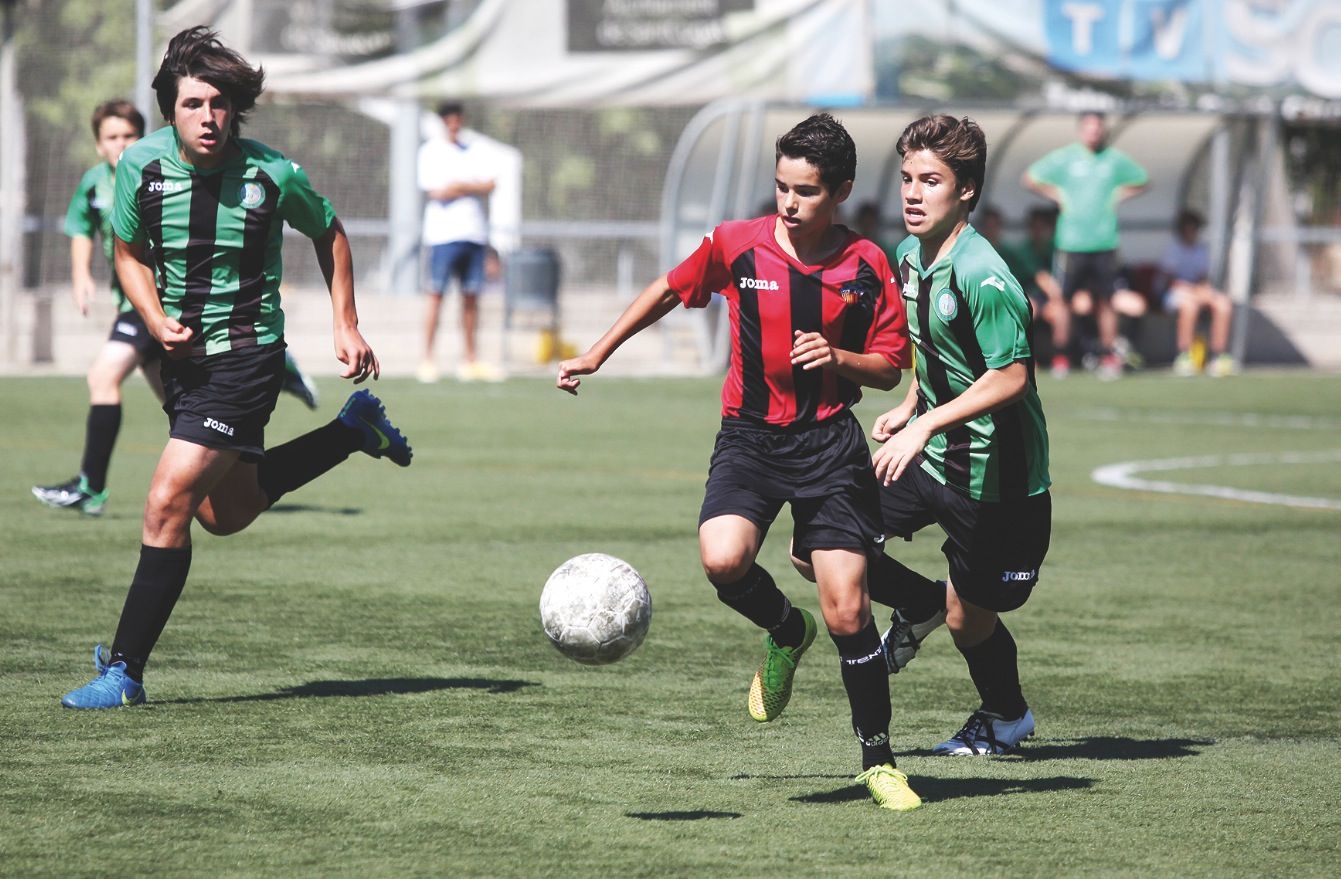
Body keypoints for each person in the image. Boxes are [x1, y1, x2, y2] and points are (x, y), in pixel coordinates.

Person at [557, 114, 921, 812]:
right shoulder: (736, 245)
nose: (788, 202)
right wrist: (597, 352)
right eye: (781, 186)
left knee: (849, 606)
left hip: (828, 445)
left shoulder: (867, 264)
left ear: (840, 190)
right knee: (722, 560)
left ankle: (878, 761)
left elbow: (888, 366)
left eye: (806, 191)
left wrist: (839, 358)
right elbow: (668, 289)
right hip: (749, 438)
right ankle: (786, 630)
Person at [60, 26, 412, 710]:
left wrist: (345, 321)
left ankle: (124, 671)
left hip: (248, 359)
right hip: (183, 361)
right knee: (225, 512)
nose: (209, 116)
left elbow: (329, 230)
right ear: (171, 109)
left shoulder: (271, 173)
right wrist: (156, 318)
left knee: (166, 502)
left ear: (235, 108)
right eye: (194, 104)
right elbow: (127, 253)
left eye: (220, 103)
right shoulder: (142, 167)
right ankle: (351, 431)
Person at [863, 114, 1052, 757]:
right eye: (907, 178)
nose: (912, 193)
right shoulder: (909, 254)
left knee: (969, 616)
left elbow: (1010, 378)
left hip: (998, 482)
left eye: (931, 180)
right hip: (933, 455)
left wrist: (923, 424)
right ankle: (916, 603)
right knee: (823, 543)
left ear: (966, 189)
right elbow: (934, 348)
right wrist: (911, 403)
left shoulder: (984, 273)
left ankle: (1006, 717)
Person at [31, 100, 321, 517]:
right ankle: (327, 418)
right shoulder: (96, 184)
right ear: (98, 145)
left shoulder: (164, 170)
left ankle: (90, 486)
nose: (121, 145)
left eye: (129, 136)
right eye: (112, 138)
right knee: (219, 505)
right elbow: (80, 229)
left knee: (103, 376)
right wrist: (80, 275)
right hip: (142, 309)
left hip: (167, 306)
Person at [1024, 112, 1148, 380]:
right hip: (1071, 242)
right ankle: (1061, 356)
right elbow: (1031, 178)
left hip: (1104, 241)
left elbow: (1142, 180)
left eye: (1098, 128)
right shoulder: (1066, 158)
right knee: (1063, 301)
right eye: (1090, 128)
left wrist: (1118, 195)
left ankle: (1109, 356)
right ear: (1081, 131)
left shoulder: (1113, 160)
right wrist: (1057, 195)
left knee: (1107, 301)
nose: (1094, 133)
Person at [417, 100, 499, 383]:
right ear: (443, 122)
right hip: (442, 237)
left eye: (458, 119)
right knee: (436, 296)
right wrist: (468, 186)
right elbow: (436, 192)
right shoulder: (430, 151)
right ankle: (428, 359)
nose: (455, 124)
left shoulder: (475, 149)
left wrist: (459, 186)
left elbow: (489, 184)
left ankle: (470, 359)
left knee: (471, 297)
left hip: (473, 234)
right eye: (449, 119)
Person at [1158, 209, 1236, 376]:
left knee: (1222, 304)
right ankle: (1184, 355)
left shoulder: (1201, 250)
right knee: (1189, 306)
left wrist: (1204, 291)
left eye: (1194, 229)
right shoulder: (1173, 250)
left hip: (1194, 291)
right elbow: (1169, 281)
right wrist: (1191, 290)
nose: (1191, 233)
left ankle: (1218, 356)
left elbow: (1202, 278)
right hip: (1174, 294)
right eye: (1188, 229)